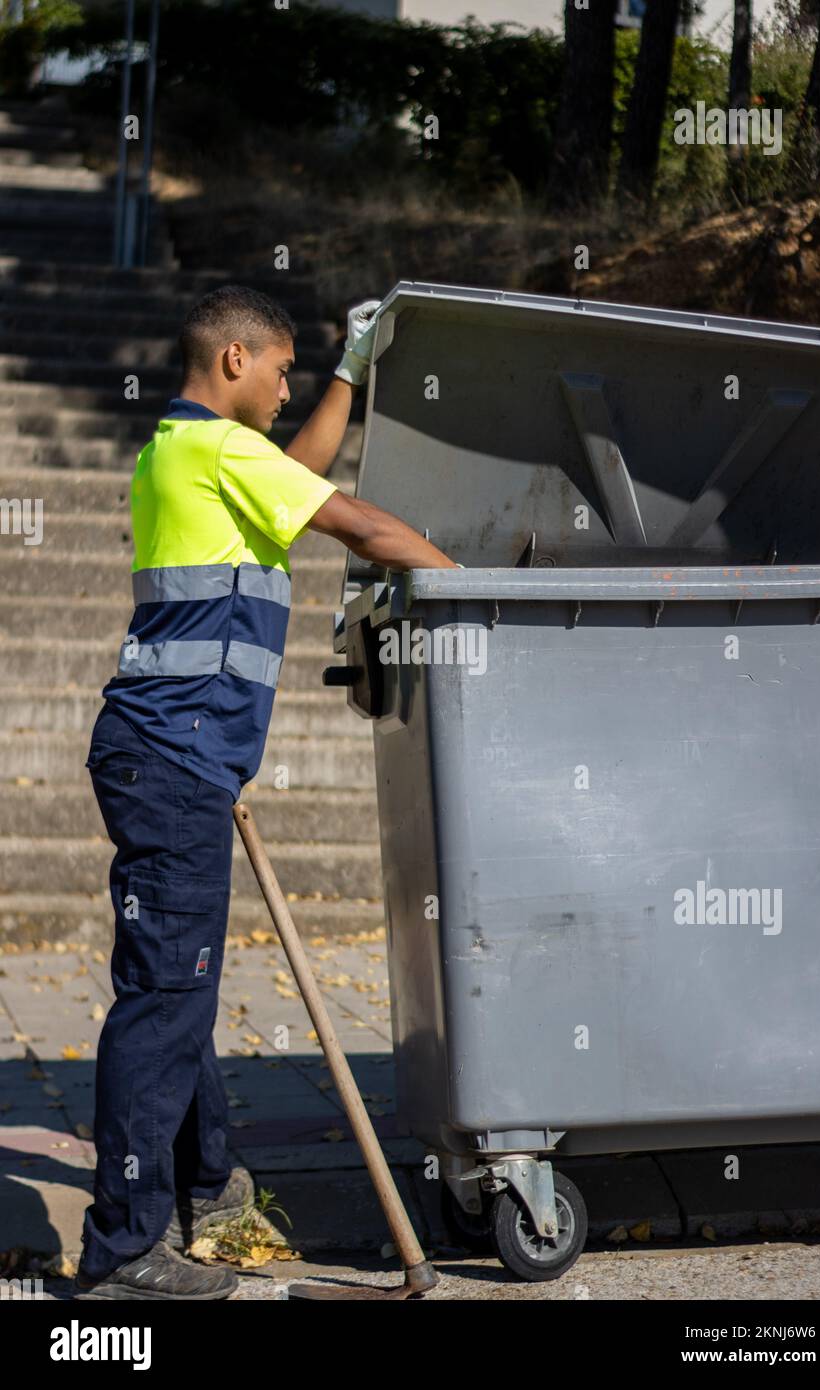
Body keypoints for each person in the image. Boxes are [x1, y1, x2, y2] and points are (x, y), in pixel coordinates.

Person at [74, 285, 458, 1300]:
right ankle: (121, 1248)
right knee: (162, 1000)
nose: (289, 389)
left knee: (177, 981)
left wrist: (347, 369)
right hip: (173, 758)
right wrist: (471, 590)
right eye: (284, 369)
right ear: (233, 359)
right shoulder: (216, 450)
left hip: (166, 755)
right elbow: (358, 523)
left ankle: (209, 1186)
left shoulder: (180, 451)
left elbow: (296, 476)